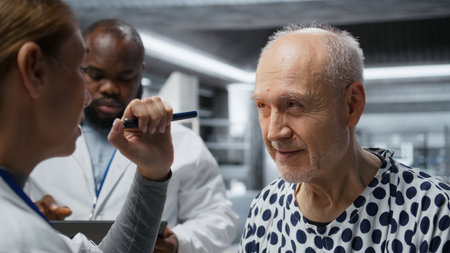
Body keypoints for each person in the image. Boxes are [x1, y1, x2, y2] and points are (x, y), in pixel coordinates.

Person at [25, 19, 238, 253]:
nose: (109, 88)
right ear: (79, 68)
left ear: (140, 73)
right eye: (95, 75)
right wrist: (29, 213)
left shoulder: (184, 143)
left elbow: (221, 220)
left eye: (124, 77)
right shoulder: (40, 138)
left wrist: (178, 241)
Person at [239, 24, 450, 252]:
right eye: (262, 106)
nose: (273, 133)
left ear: (351, 106)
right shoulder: (265, 208)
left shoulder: (433, 213)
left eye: (293, 104)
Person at [0, 0, 175, 252]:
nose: (88, 97)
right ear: (34, 69)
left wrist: (152, 174)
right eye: (80, 69)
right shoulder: (19, 237)